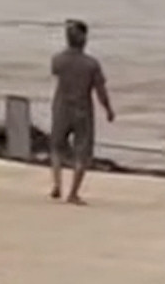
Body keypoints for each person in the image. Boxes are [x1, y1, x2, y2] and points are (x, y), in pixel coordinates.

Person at [48, 19, 114, 205]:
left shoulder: (58, 60)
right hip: (82, 109)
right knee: (81, 151)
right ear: (84, 39)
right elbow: (100, 90)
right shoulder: (91, 64)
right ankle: (73, 193)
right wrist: (108, 109)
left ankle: (57, 184)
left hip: (61, 106)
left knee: (56, 146)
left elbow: (57, 74)